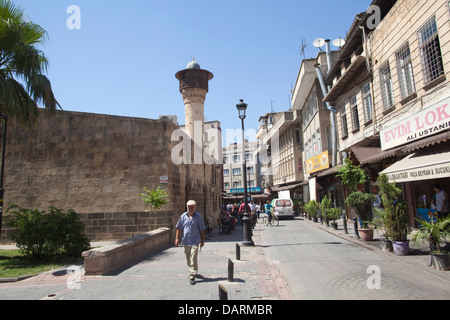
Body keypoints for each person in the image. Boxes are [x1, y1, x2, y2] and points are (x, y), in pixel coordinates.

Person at [175, 200, 206, 285]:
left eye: (192, 207)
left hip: (195, 241)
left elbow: (202, 229)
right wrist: (177, 238)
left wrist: (202, 241)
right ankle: (192, 270)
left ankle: (192, 276)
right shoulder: (183, 216)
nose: (190, 208)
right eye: (189, 207)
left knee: (193, 258)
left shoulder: (198, 216)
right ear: (186, 207)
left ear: (195, 207)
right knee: (188, 259)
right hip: (185, 241)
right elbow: (179, 228)